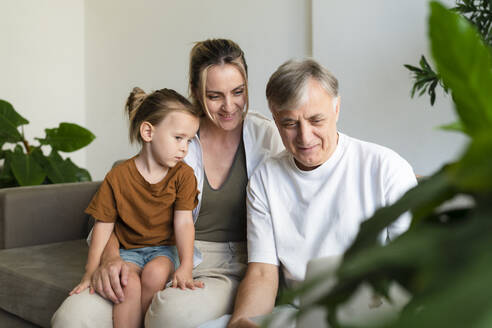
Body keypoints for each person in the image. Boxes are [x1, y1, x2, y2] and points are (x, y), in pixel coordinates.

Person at [51, 39, 284, 328]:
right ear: (195, 91)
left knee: (170, 314)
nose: (229, 106)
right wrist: (110, 260)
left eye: (238, 92)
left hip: (227, 267)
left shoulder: (267, 137)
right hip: (155, 255)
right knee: (72, 318)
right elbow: (117, 208)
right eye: (214, 96)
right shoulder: (175, 134)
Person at [224, 59, 417, 327]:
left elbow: (410, 265)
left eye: (316, 120)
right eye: (290, 123)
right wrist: (241, 321)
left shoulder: (386, 168)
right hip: (296, 313)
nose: (305, 137)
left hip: (372, 312)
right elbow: (262, 273)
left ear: (336, 108)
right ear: (275, 120)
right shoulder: (265, 179)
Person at [70, 87, 201, 327]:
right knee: (126, 283)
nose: (185, 148)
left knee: (155, 274)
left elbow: (184, 222)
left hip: (164, 249)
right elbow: (103, 227)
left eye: (189, 140)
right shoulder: (118, 176)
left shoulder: (184, 176)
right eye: (178, 138)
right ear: (148, 132)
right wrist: (90, 272)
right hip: (128, 251)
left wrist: (186, 266)